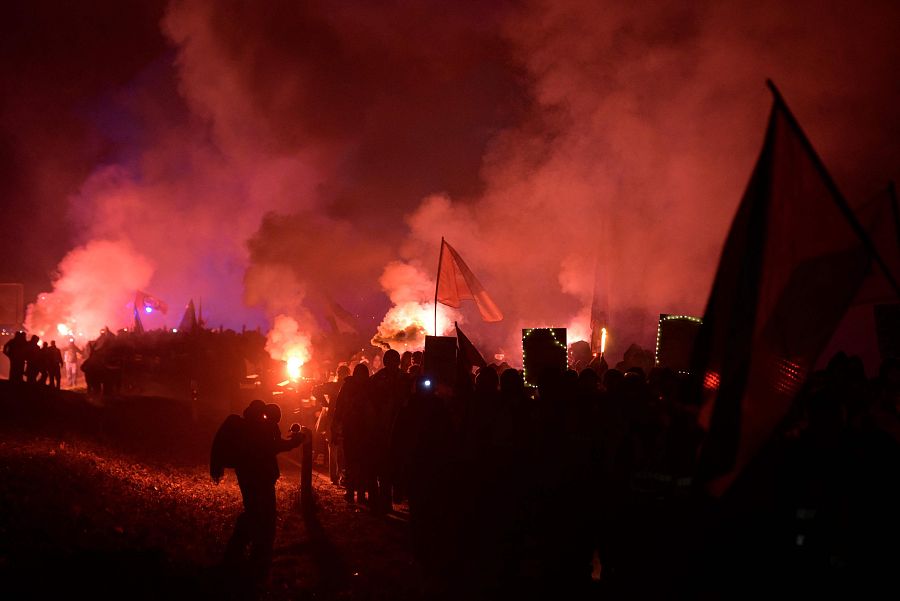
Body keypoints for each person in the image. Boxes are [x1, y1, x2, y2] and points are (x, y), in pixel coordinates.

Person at [220, 400, 304, 583]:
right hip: (261, 476)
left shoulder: (250, 425)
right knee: (261, 513)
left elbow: (271, 444)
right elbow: (272, 446)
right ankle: (255, 550)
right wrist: (294, 442)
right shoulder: (258, 428)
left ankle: (240, 550)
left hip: (248, 474)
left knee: (253, 510)